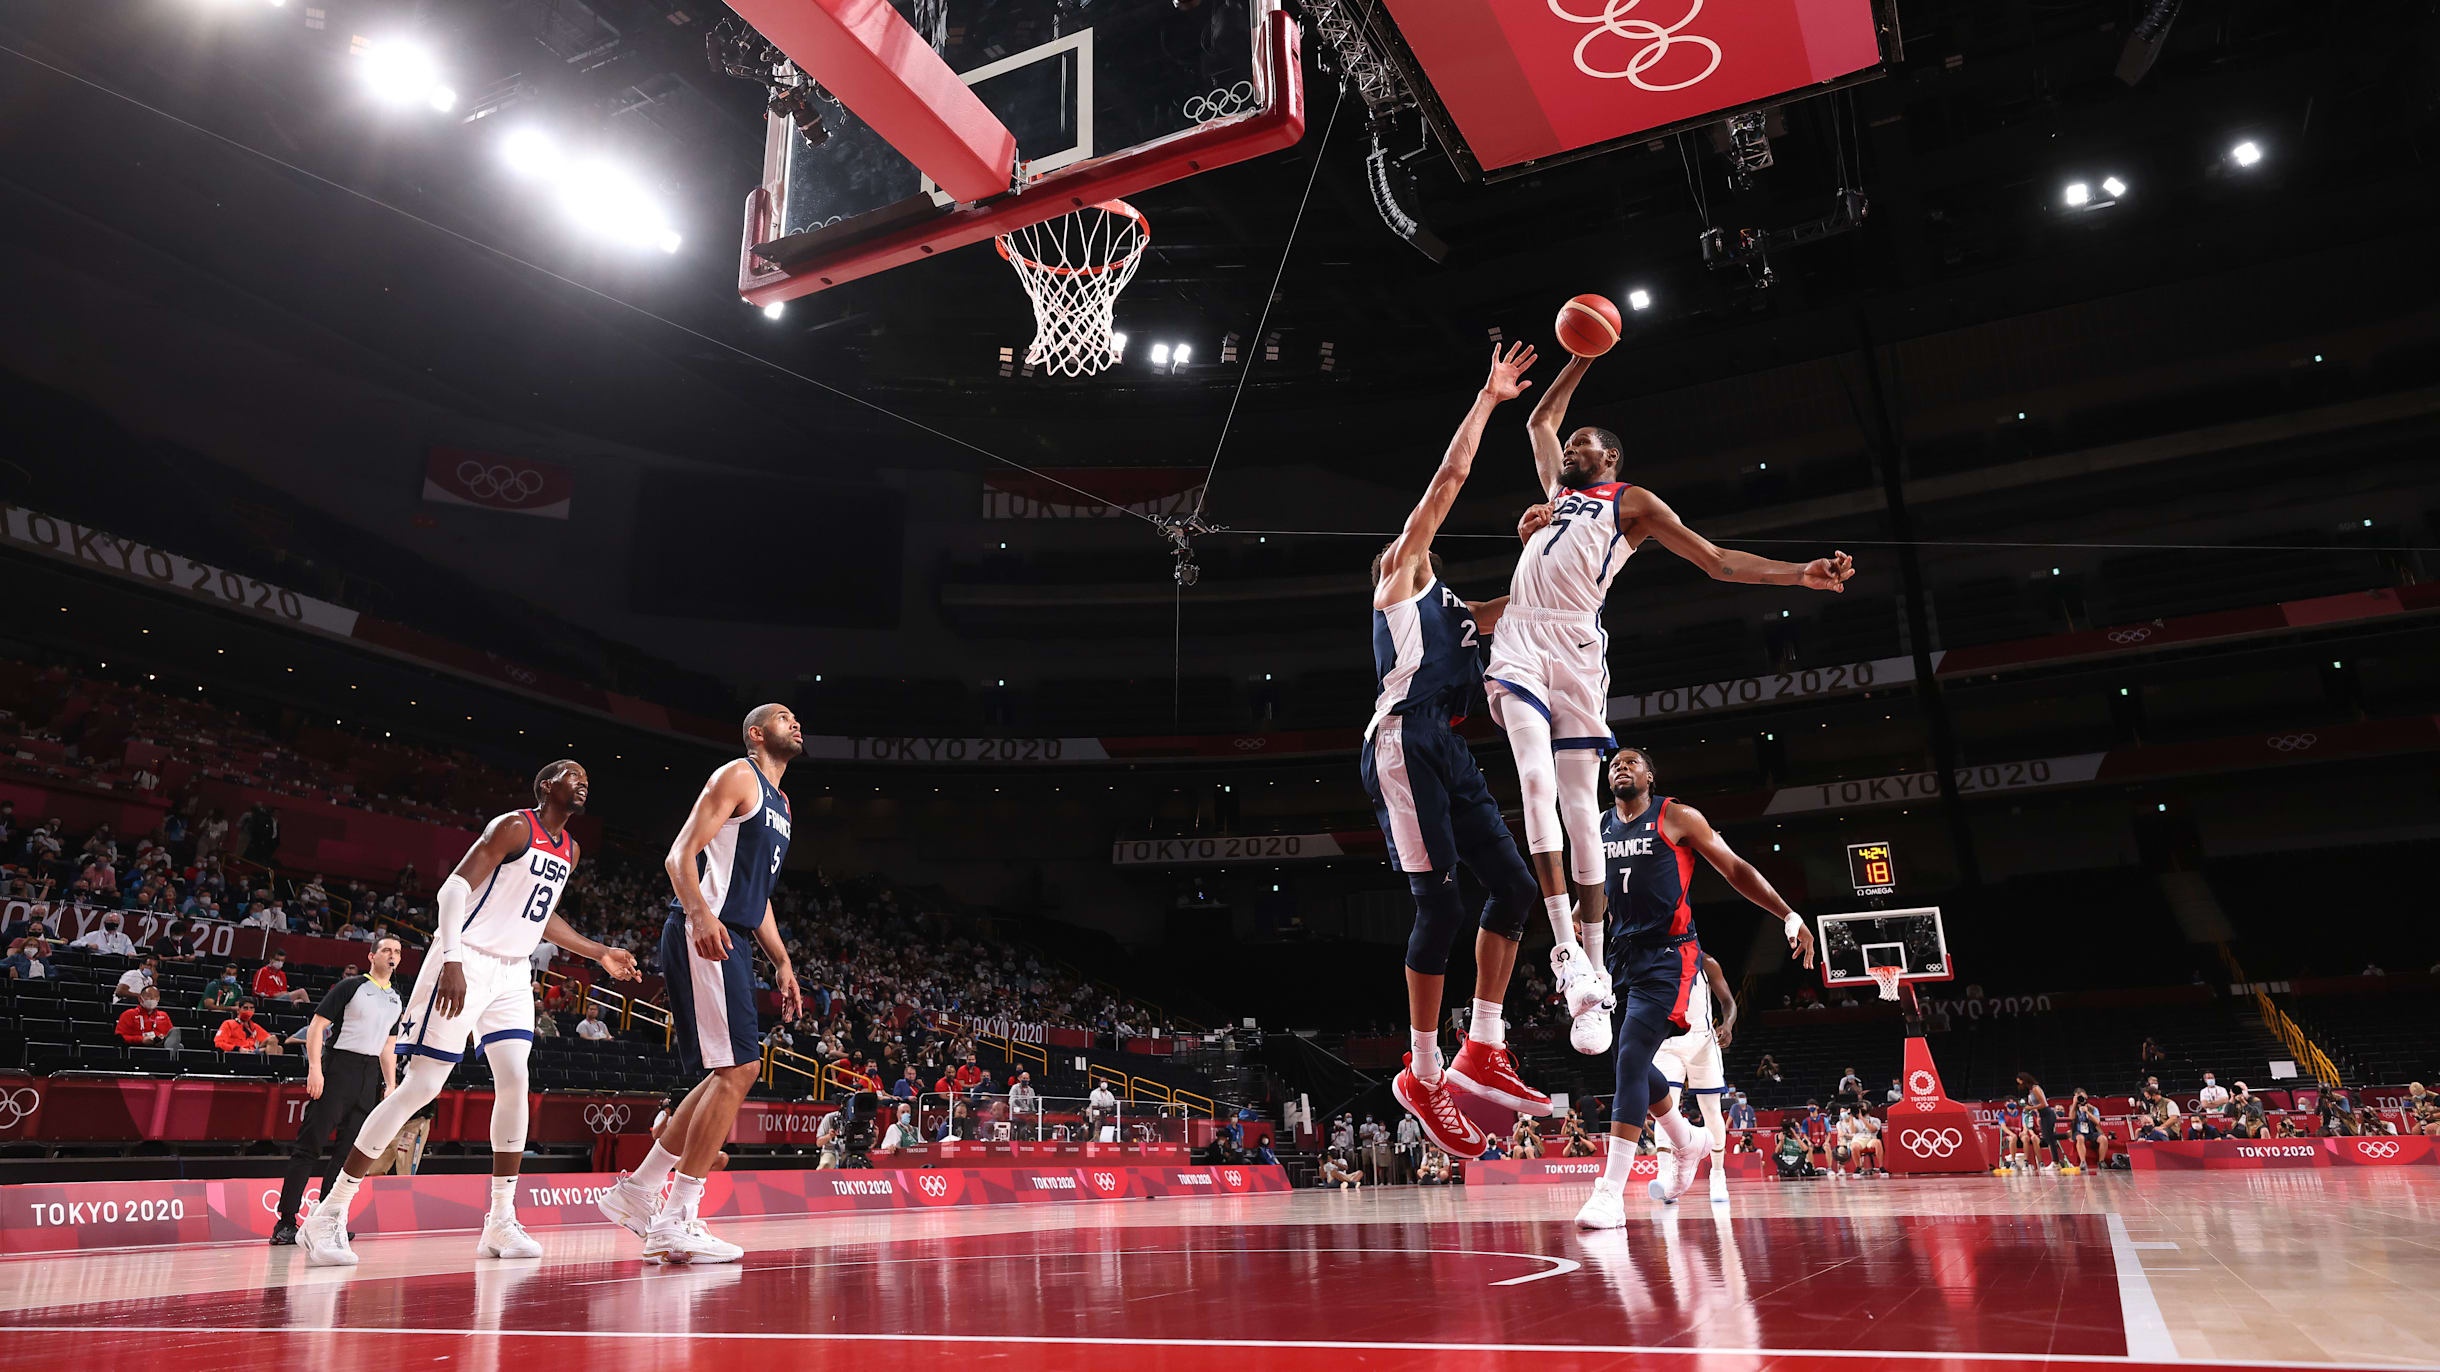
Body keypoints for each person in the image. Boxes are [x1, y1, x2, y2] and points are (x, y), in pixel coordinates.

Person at [1485, 347, 1855, 1058]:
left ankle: (1591, 969)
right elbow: (1538, 417)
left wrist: (1798, 576)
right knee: (1530, 781)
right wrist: (1579, 355)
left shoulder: (1632, 504)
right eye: (1568, 445)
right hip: (1522, 643)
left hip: (1576, 649)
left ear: (1610, 458)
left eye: (1582, 444)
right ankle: (1567, 951)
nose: (1569, 448)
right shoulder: (1555, 496)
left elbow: (1716, 561)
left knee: (1576, 812)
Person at [300, 762, 639, 1269]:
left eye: (587, 775)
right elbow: (453, 890)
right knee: (422, 1087)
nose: (583, 780)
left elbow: (540, 918)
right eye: (572, 774)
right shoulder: (514, 826)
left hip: (511, 971)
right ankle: (328, 1214)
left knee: (515, 1079)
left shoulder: (570, 848)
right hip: (466, 957)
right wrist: (452, 958)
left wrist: (597, 952)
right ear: (547, 785)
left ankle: (500, 1220)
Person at [1364, 343, 1563, 1165]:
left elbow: (1524, 598)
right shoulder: (1397, 573)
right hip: (1402, 741)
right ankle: (1422, 1071)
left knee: (1514, 887)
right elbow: (1447, 481)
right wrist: (1488, 400)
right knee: (1440, 908)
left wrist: (1555, 543)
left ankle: (1484, 1045)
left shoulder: (1455, 605)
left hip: (1448, 750)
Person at [1576, 748, 1815, 1229]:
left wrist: (1788, 914)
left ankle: (1610, 1194)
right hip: (1620, 958)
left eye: (1631, 762)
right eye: (1613, 764)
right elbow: (1593, 900)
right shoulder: (1598, 827)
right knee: (1631, 1061)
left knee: (1629, 1058)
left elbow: (1735, 868)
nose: (1620, 767)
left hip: (1669, 957)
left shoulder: (1677, 816)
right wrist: (1578, 940)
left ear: (1650, 774)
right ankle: (1686, 1140)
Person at [596, 710, 802, 1266]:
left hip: (731, 931)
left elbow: (756, 899)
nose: (796, 722)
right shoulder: (738, 775)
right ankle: (676, 1217)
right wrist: (699, 914)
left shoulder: (782, 807)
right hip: (704, 930)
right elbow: (678, 855)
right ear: (757, 734)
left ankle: (639, 1191)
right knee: (740, 1070)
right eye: (784, 717)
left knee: (727, 1071)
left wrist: (782, 962)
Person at [271, 937, 404, 1245]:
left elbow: (388, 1046)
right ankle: (286, 1222)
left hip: (368, 1077)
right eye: (386, 950)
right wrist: (315, 1069)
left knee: (346, 1156)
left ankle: (327, 1221)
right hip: (338, 1068)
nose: (392, 955)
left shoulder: (396, 999)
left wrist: (391, 1084)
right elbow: (317, 1027)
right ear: (371, 956)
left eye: (397, 951)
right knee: (309, 1147)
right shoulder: (352, 986)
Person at [1652, 950, 1739, 1203]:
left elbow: (1728, 1003)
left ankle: (1718, 1174)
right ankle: (1665, 1173)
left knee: (1711, 1110)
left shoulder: (1706, 962)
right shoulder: (1654, 960)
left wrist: (1728, 1025)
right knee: (1664, 1108)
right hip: (1668, 1042)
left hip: (1703, 1041)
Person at [114, 988, 180, 1054]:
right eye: (149, 996)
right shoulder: (128, 1014)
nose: (153, 999)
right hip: (137, 1049)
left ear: (159, 999)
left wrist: (162, 1039)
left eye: (155, 997)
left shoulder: (164, 1015)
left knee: (177, 1042)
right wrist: (141, 1040)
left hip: (160, 1050)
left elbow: (170, 1036)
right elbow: (120, 1037)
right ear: (140, 998)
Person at [2018, 1073, 2063, 1171]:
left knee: (2050, 1138)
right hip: (2042, 1115)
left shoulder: (2035, 1088)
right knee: (2048, 1138)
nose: (2020, 1084)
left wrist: (2031, 1107)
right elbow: (2033, 1105)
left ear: (2024, 1080)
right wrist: (2031, 1109)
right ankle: (2056, 1163)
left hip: (2047, 1113)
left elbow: (2044, 1104)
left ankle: (2056, 1162)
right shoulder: (2030, 1092)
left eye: (2020, 1082)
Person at [216, 999, 281, 1054]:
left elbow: (271, 1040)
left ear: (254, 1011)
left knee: (278, 1047)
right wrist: (238, 1049)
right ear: (238, 1010)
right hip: (237, 1053)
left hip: (252, 1052)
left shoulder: (255, 1027)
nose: (248, 1011)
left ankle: (271, 1067)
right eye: (245, 1008)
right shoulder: (228, 1023)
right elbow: (218, 1043)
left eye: (251, 1008)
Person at [70, 913, 139, 958]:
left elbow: (130, 949)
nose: (112, 923)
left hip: (118, 961)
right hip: (100, 960)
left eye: (115, 922)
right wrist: (87, 944)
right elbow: (73, 944)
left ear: (119, 924)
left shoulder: (124, 937)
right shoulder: (94, 935)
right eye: (110, 921)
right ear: (105, 922)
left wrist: (130, 953)